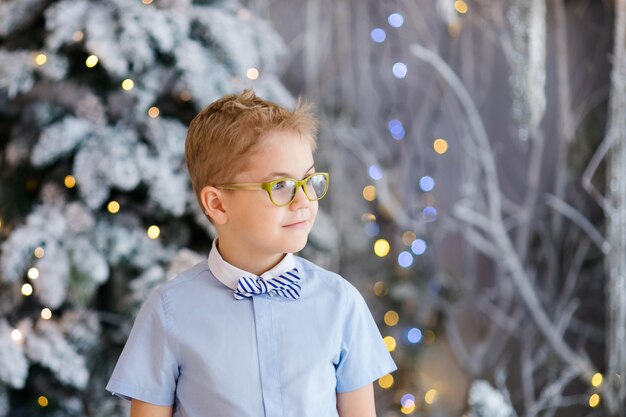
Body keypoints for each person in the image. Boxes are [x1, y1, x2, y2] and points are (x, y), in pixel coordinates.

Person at [106, 89, 397, 417]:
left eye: (308, 180)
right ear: (217, 204)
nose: (303, 200)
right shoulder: (169, 312)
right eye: (280, 186)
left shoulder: (340, 303)